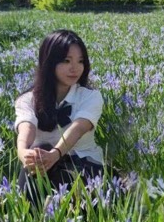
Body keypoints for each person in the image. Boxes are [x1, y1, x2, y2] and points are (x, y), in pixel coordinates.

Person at [14, 29, 105, 206]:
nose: (75, 68)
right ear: (49, 62)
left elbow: (78, 128)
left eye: (80, 61)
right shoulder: (27, 99)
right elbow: (27, 128)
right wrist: (23, 152)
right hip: (42, 164)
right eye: (66, 61)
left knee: (62, 177)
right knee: (35, 162)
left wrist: (55, 154)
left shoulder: (90, 97)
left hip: (84, 164)